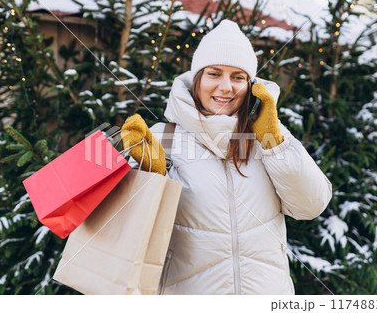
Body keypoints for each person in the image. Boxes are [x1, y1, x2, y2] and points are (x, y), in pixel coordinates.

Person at [121, 20, 332, 295]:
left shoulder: (270, 137)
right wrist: (150, 176)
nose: (225, 87)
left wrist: (273, 143)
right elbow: (127, 233)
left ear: (251, 84)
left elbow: (311, 205)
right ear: (197, 79)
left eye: (237, 77)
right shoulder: (162, 139)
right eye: (214, 74)